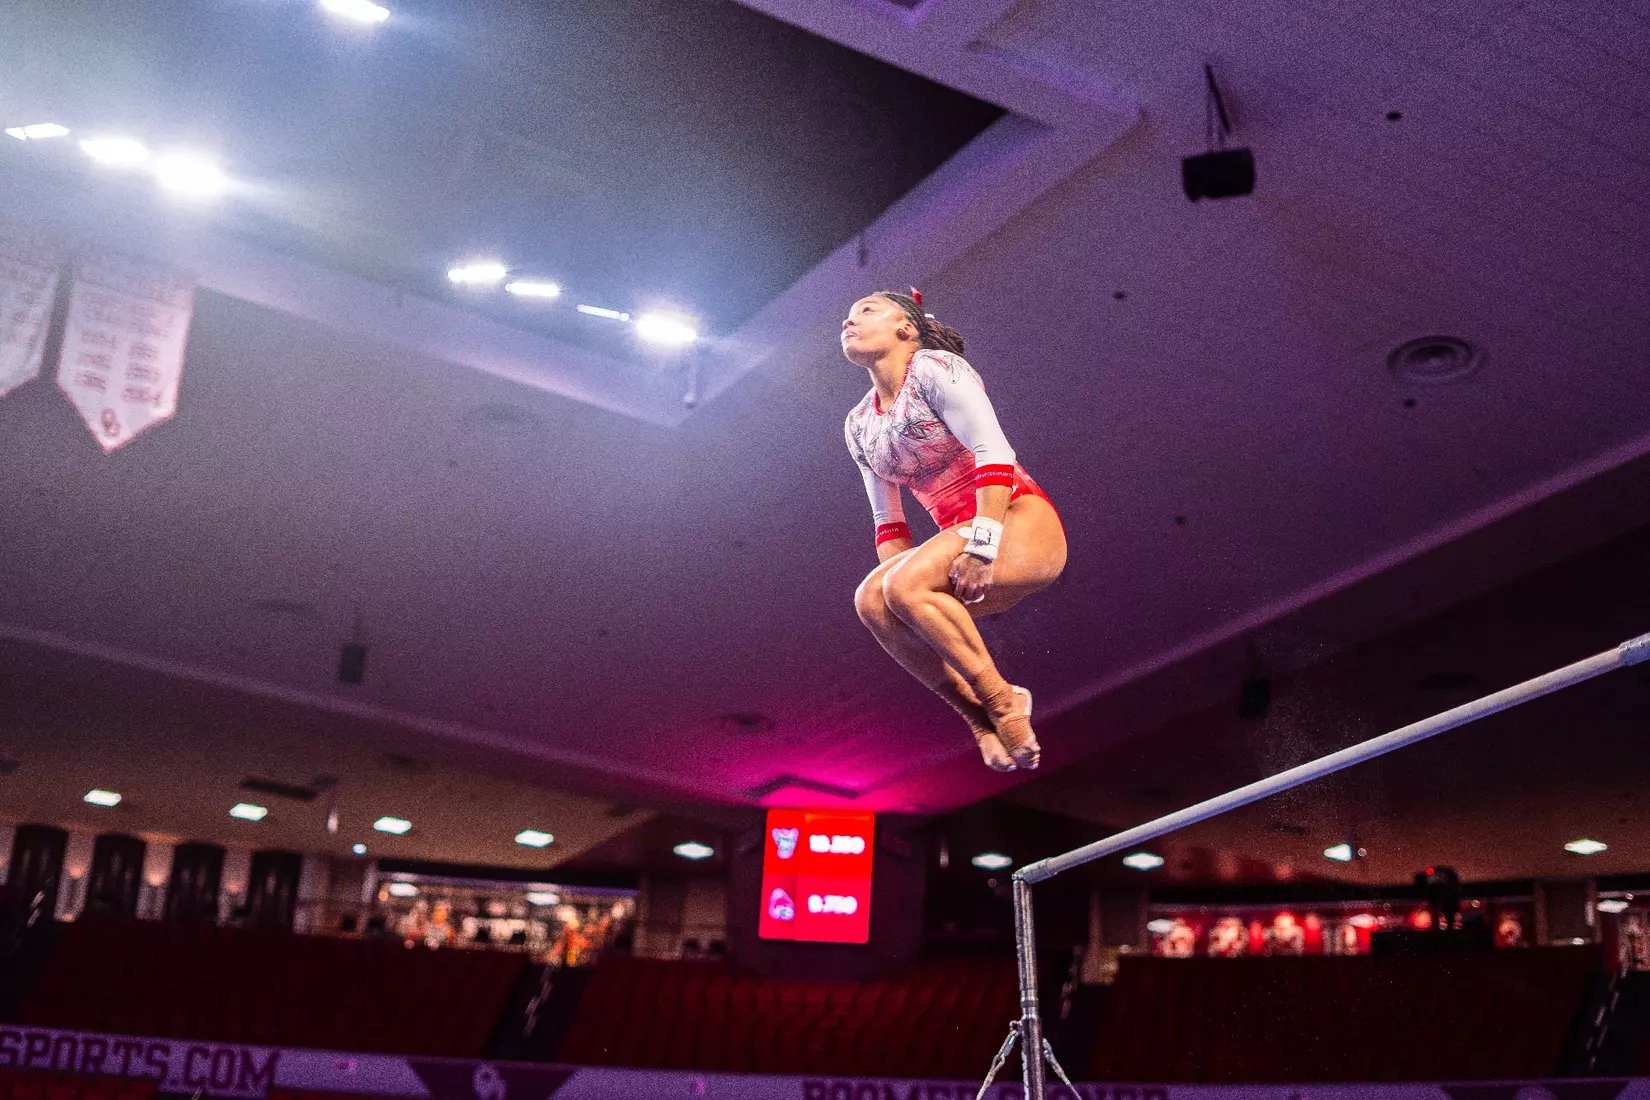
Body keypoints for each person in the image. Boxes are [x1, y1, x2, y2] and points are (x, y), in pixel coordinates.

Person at [843, 290, 1067, 770]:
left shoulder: (935, 369)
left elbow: (994, 451)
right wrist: (903, 612)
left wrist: (983, 546)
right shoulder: (860, 423)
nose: (849, 320)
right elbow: (889, 524)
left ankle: (1003, 700)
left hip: (1015, 520)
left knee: (903, 585)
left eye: (866, 311)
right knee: (872, 601)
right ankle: (979, 718)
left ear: (907, 327)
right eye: (848, 315)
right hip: (959, 542)